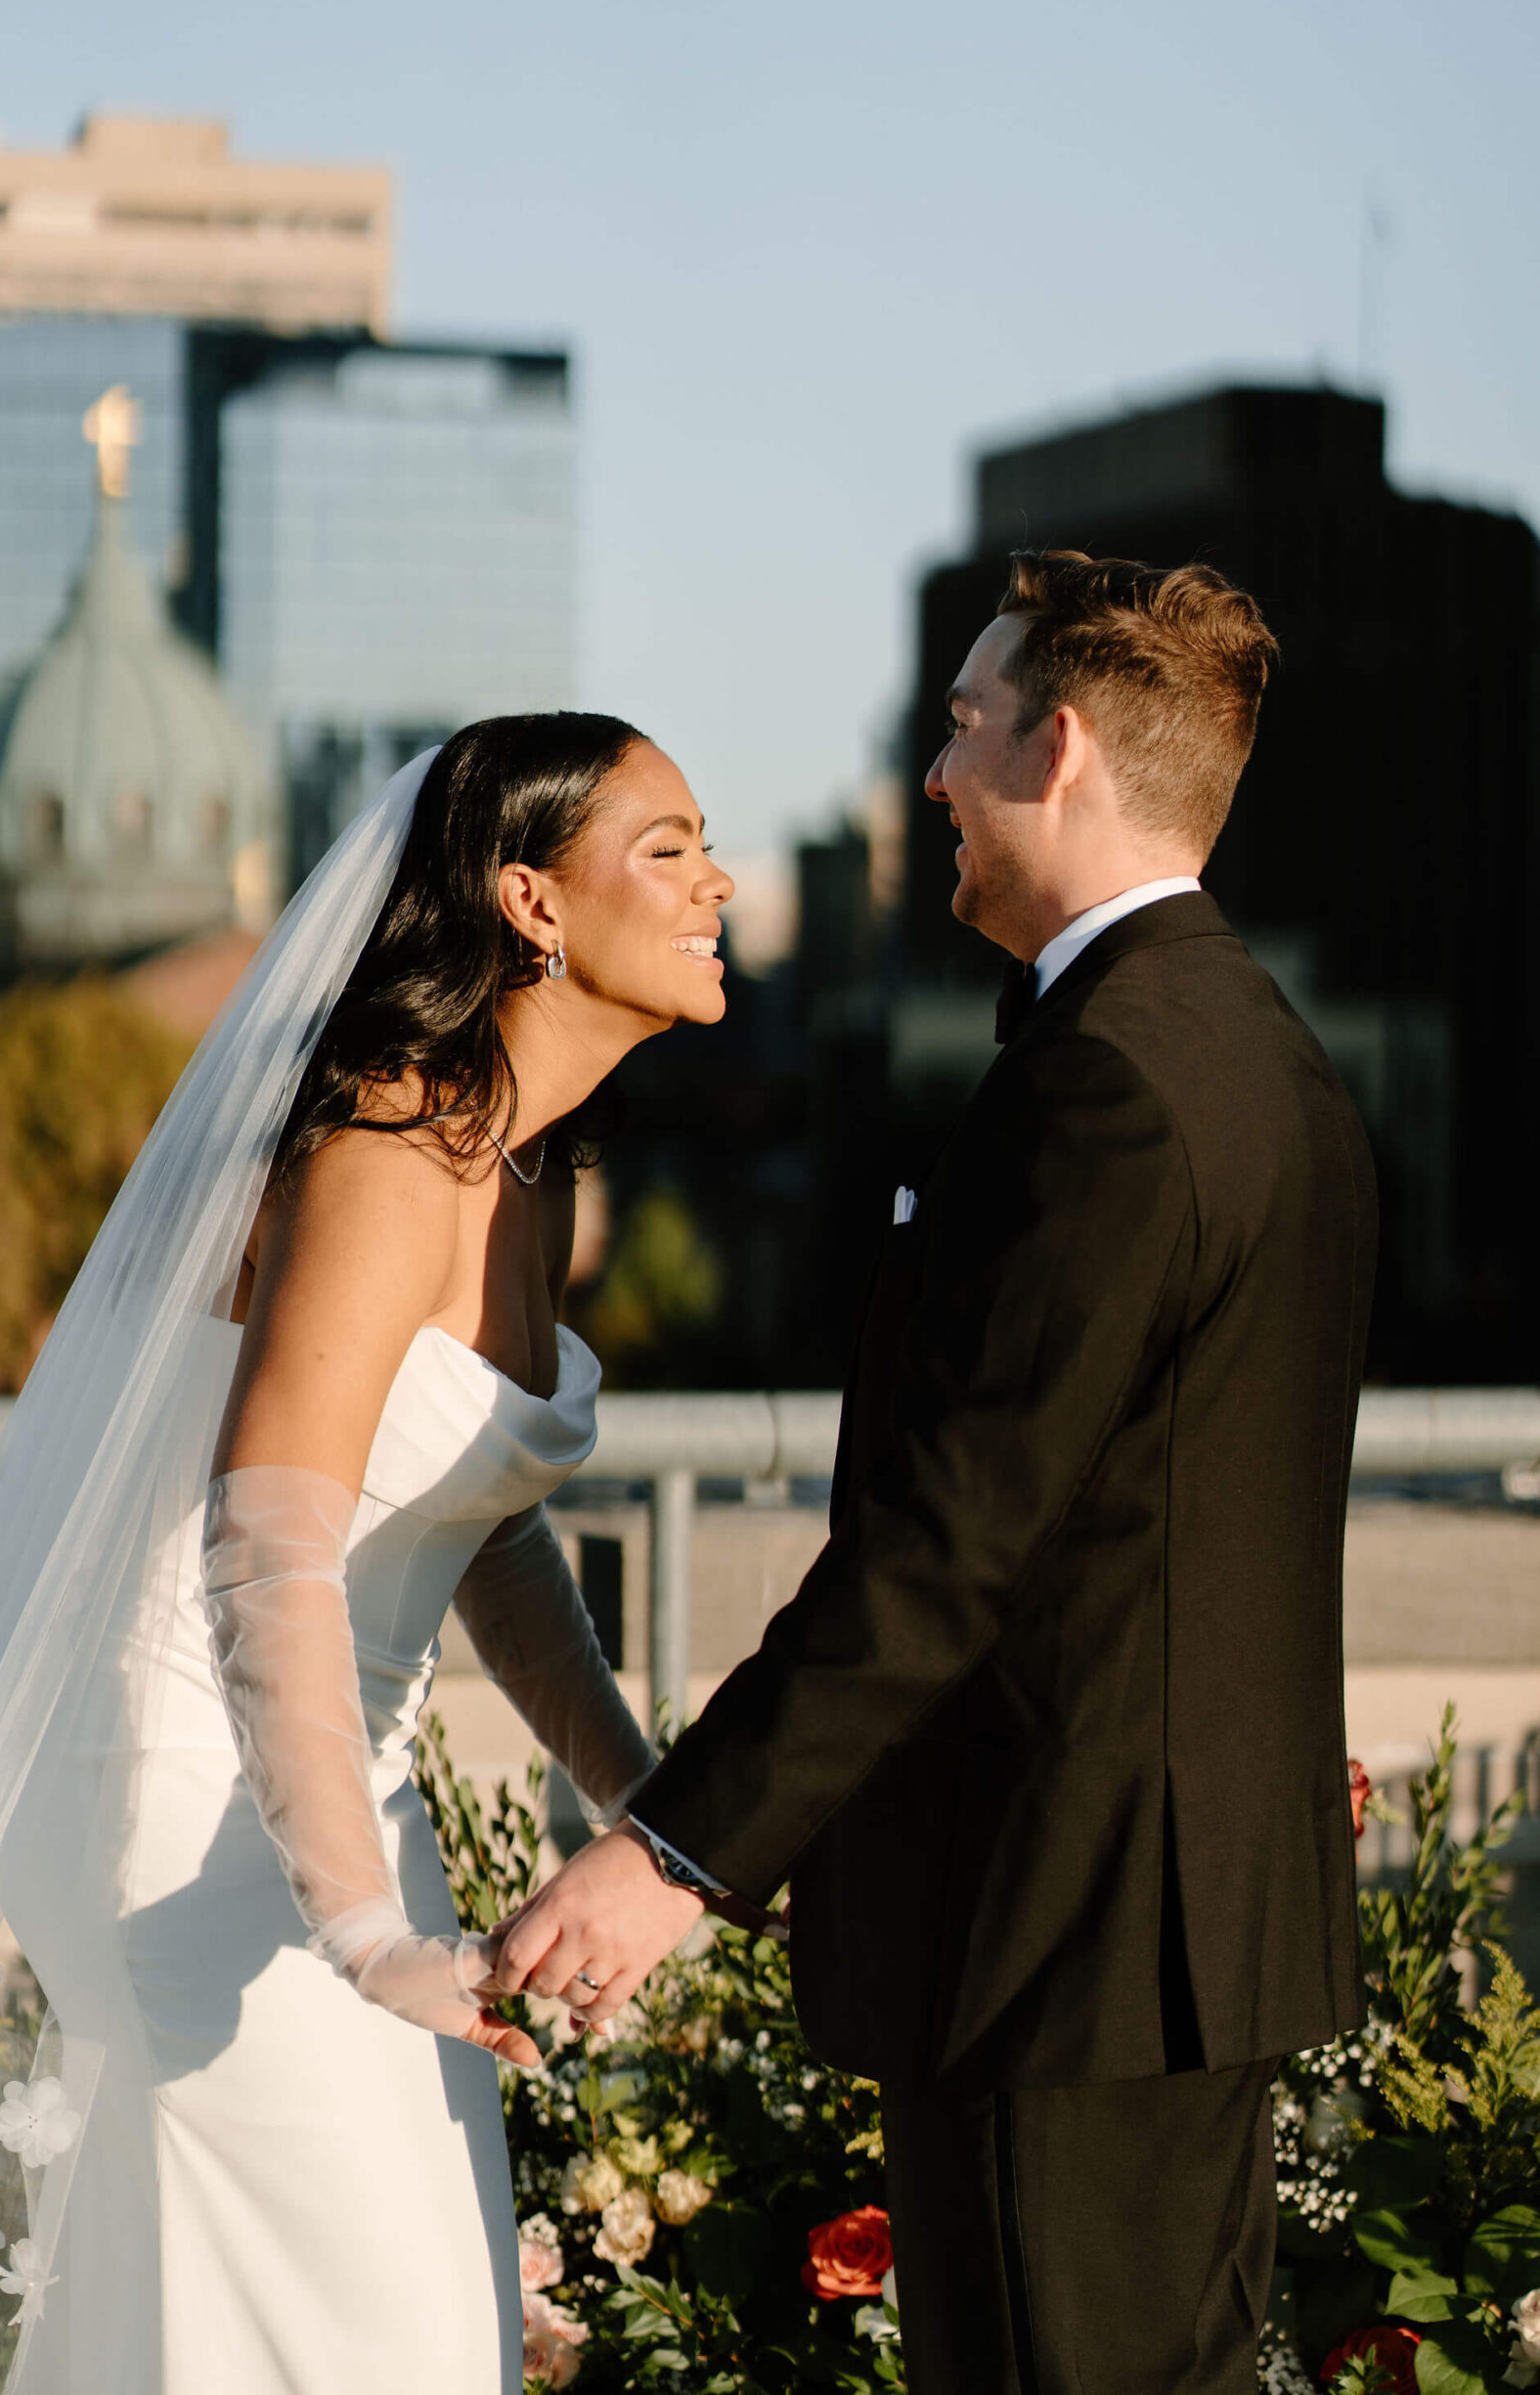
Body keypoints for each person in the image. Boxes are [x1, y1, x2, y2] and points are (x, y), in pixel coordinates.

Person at [495, 554, 1380, 2394]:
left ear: (1058, 748)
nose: (932, 774)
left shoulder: (1112, 1083)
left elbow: (948, 1547)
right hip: (1170, 1932)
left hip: (1061, 1931)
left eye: (965, 726)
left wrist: (677, 1856)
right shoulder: (1260, 1055)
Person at [0, 713, 734, 2394]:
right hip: (181, 1776)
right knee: (376, 2329)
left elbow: (481, 1531)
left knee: (319, 2314)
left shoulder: (531, 1164)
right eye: (670, 848)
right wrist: (360, 1932)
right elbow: (266, 1548)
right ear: (530, 902)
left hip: (340, 1787)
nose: (719, 885)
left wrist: (656, 1815)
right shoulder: (382, 1150)